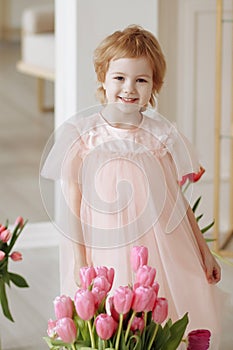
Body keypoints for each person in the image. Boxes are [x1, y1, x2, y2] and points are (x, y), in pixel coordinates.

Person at [41, 25, 223, 348]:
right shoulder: (83, 135)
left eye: (141, 80)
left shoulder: (160, 135)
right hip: (105, 248)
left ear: (154, 85)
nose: (130, 88)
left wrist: (203, 251)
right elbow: (73, 203)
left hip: (161, 247)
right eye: (120, 78)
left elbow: (177, 200)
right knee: (117, 322)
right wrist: (81, 263)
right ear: (103, 78)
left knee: (163, 315)